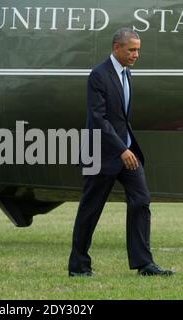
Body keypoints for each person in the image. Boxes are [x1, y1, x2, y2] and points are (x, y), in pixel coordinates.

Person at [68, 28, 173, 276]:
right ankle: (78, 267)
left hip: (127, 153)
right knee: (90, 210)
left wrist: (127, 149)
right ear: (117, 47)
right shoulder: (98, 75)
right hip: (101, 153)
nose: (136, 54)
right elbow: (98, 119)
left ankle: (143, 264)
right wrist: (122, 149)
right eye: (132, 49)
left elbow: (120, 118)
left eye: (138, 49)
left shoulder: (128, 74)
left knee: (141, 201)